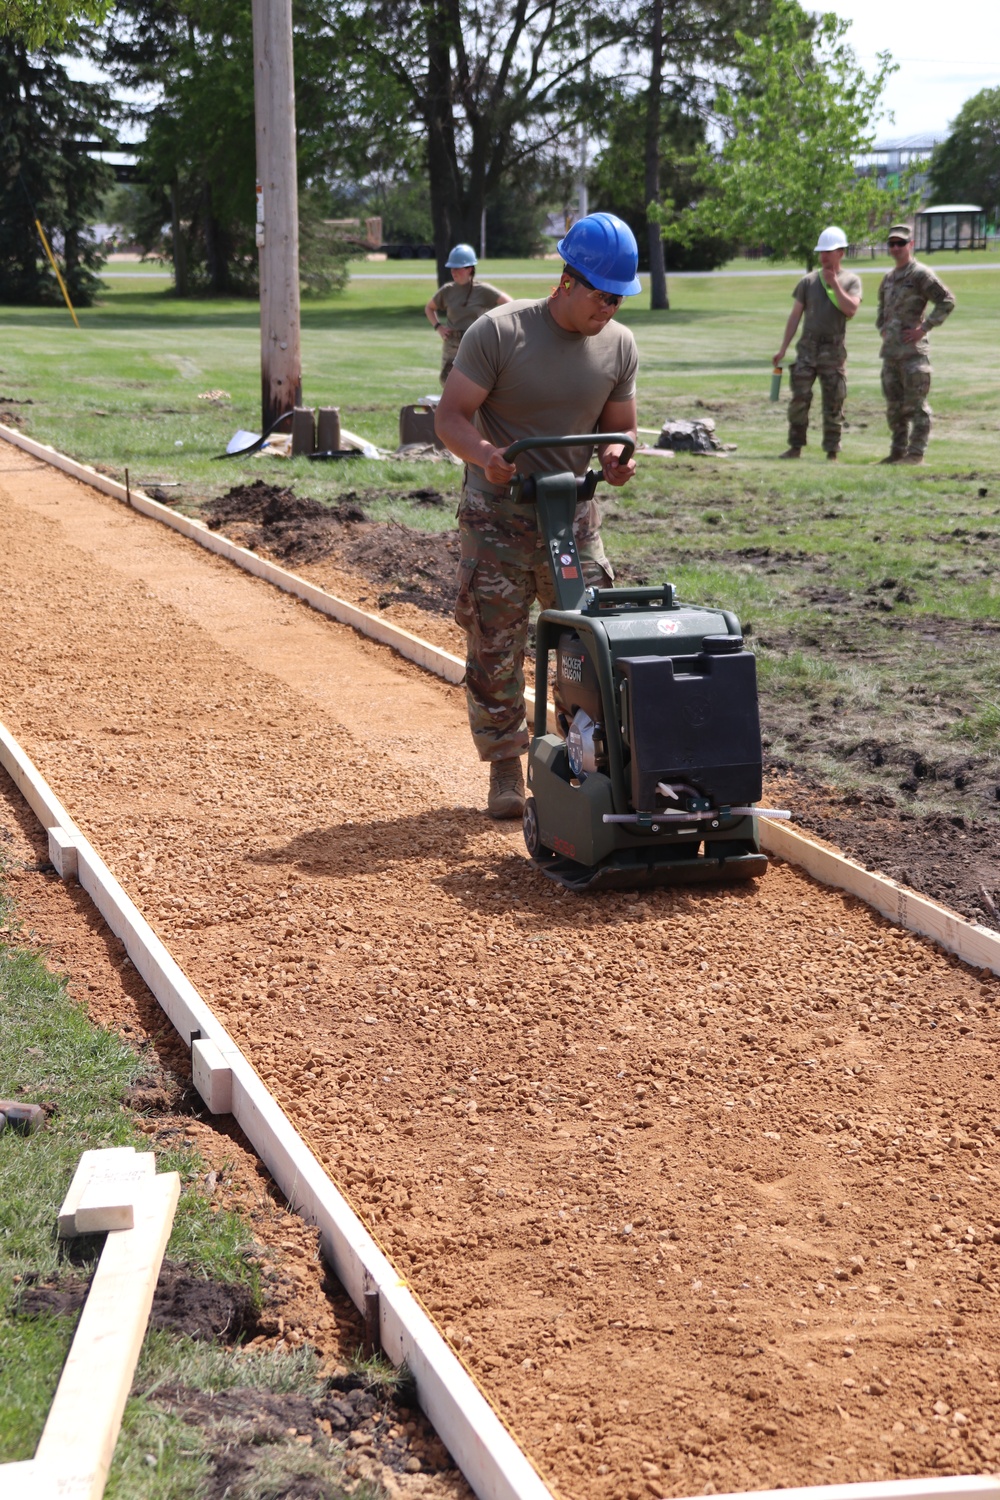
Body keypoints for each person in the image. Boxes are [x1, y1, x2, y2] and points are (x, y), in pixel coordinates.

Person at [434, 212, 640, 819]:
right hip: (498, 514)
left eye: (619, 298)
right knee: (496, 641)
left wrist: (618, 454)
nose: (610, 309)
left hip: (572, 517)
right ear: (568, 280)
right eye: (603, 295)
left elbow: (622, 427)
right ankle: (504, 765)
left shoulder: (619, 345)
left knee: (587, 640)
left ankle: (580, 763)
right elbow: (450, 418)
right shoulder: (499, 334)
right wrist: (486, 457)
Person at [773, 225, 862, 461]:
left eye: (829, 251)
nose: (824, 256)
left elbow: (851, 309)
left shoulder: (851, 281)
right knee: (799, 399)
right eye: (821, 252)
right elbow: (795, 316)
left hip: (833, 351)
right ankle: (795, 446)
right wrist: (783, 348)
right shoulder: (807, 282)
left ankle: (832, 451)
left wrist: (834, 284)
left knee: (834, 401)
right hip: (807, 349)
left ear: (841, 252)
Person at [876, 223, 956, 464]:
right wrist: (883, 328)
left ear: (911, 245)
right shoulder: (889, 278)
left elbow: (947, 301)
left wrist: (924, 328)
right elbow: (883, 308)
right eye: (892, 244)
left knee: (916, 407)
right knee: (894, 408)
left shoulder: (920, 274)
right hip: (891, 354)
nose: (896, 248)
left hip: (913, 355)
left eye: (901, 243)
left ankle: (916, 454)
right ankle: (897, 452)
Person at [424, 245, 512, 386]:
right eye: (452, 268)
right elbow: (429, 308)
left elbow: (509, 304)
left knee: (476, 382)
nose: (453, 271)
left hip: (475, 342)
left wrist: (494, 327)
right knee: (448, 382)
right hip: (452, 343)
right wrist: (438, 327)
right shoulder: (447, 290)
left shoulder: (483, 290)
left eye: (457, 268)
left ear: (469, 269)